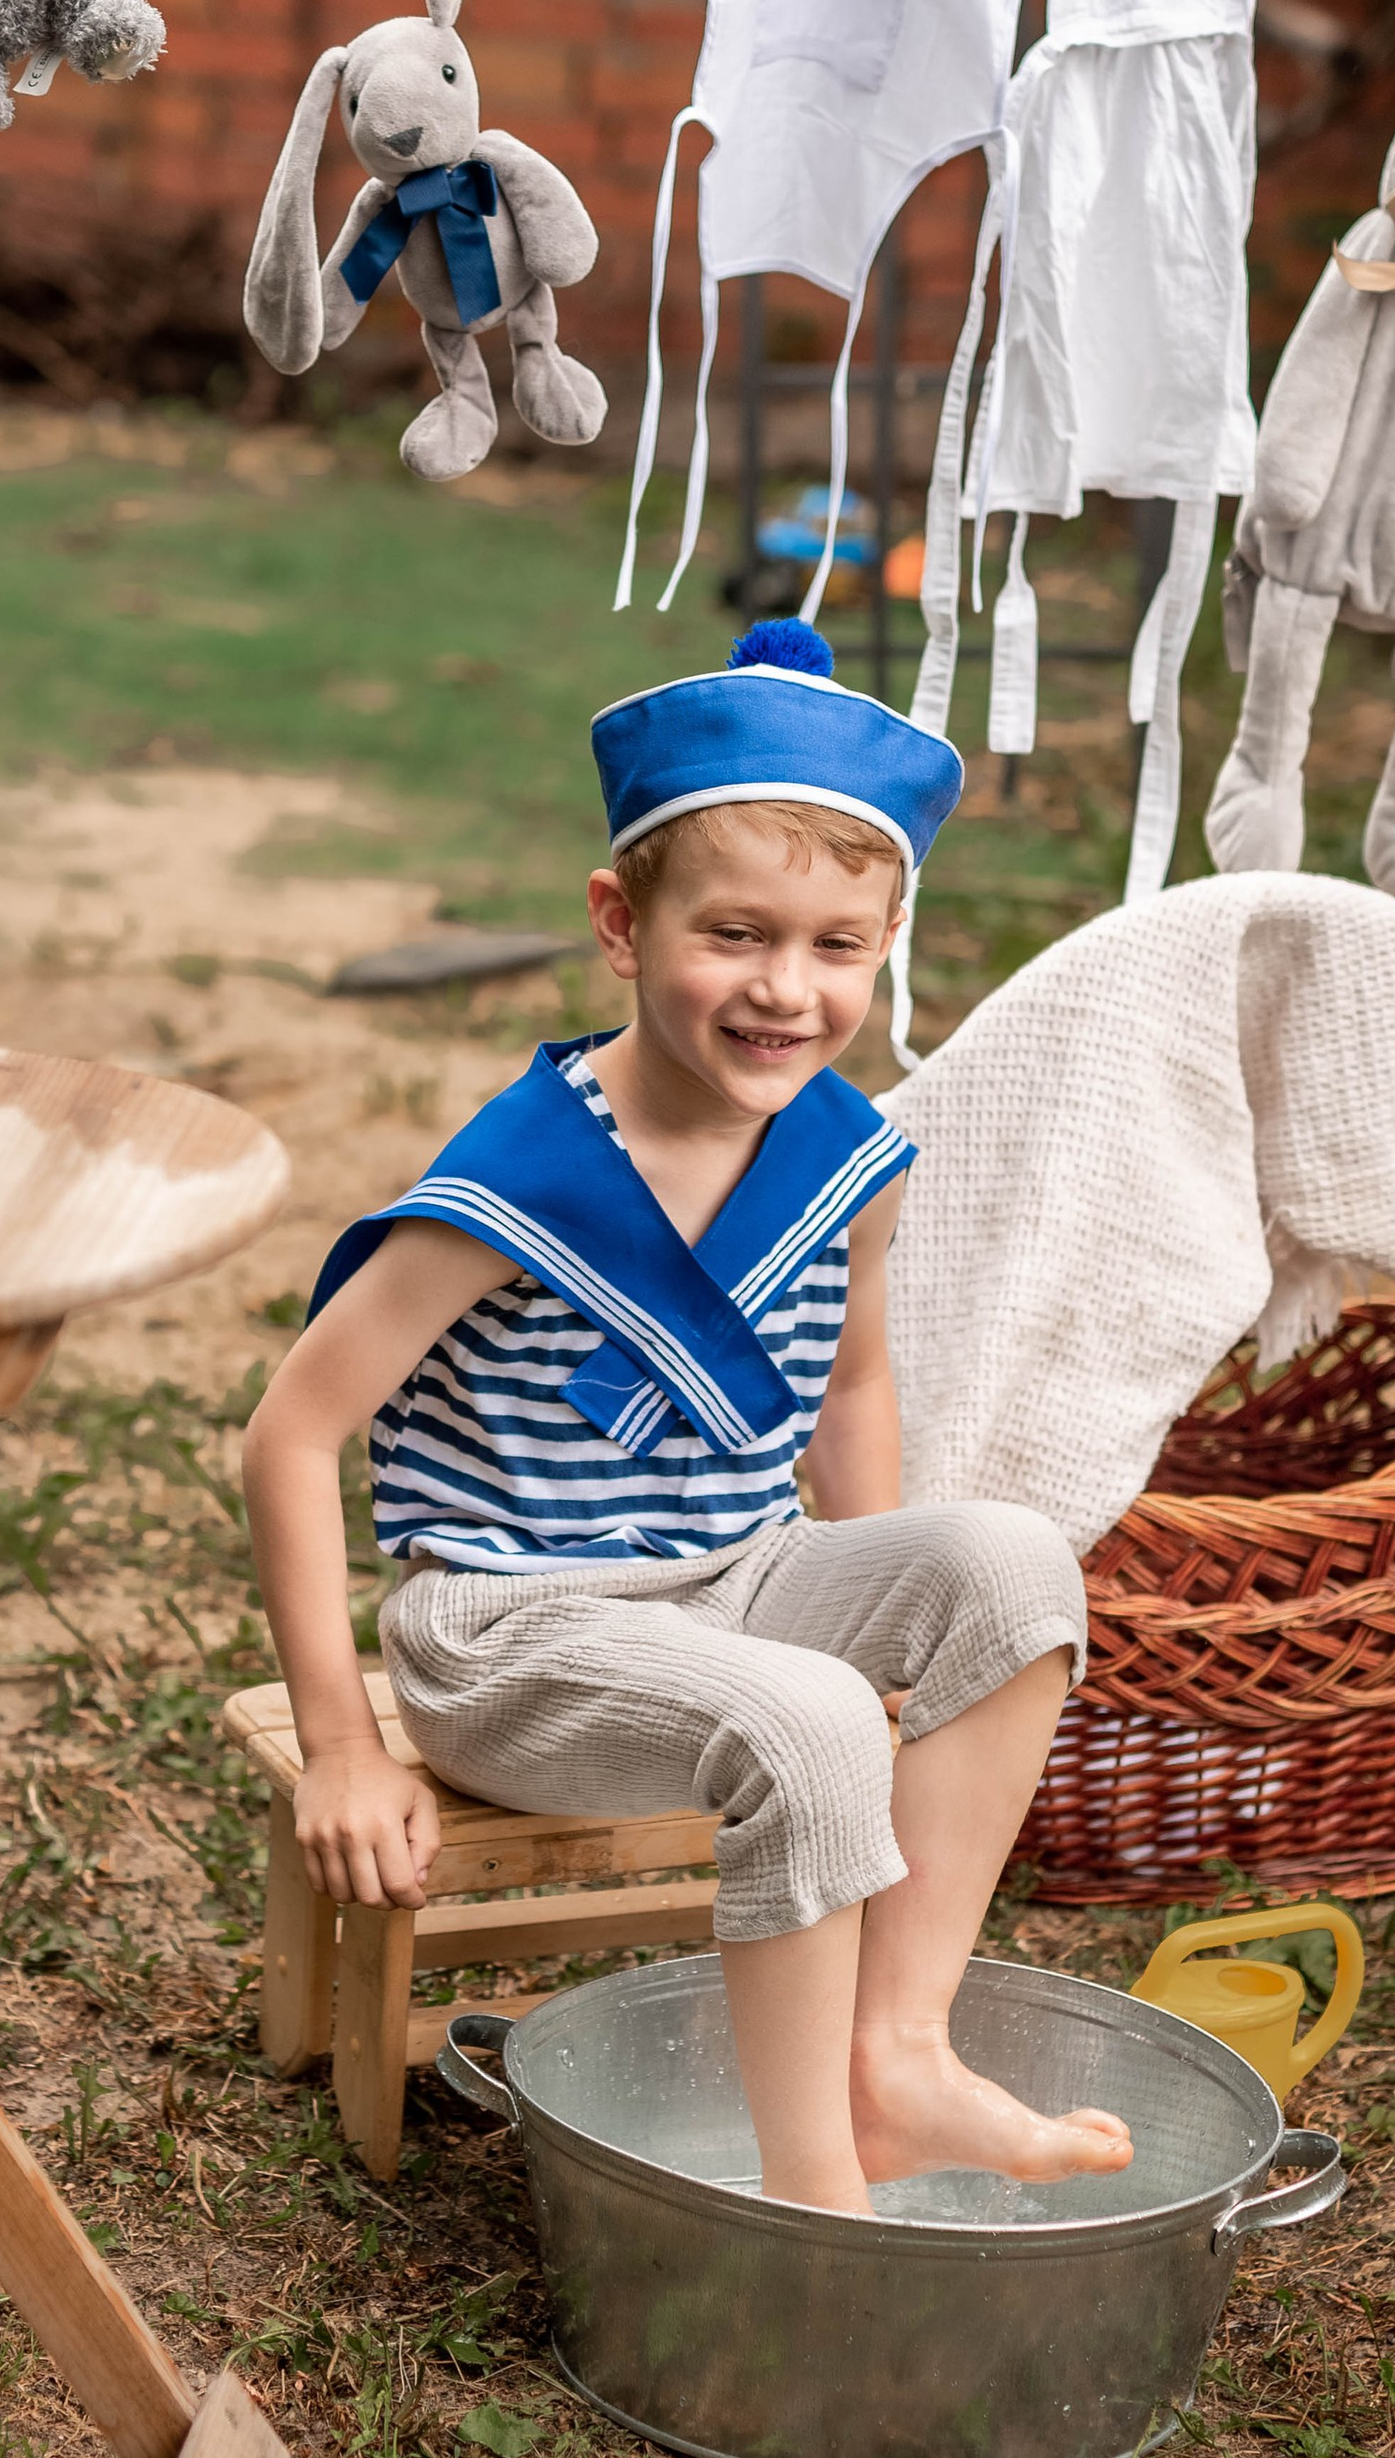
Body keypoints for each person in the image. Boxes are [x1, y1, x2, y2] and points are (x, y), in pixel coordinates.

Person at [241, 619, 1131, 2215]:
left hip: (737, 1579)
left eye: (838, 946)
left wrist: (884, 1604)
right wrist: (340, 1747)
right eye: (736, 935)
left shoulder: (847, 1156)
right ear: (621, 921)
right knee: (805, 1718)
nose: (786, 991)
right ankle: (810, 2202)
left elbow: (851, 1389)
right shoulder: (523, 1177)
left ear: (887, 941)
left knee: (1012, 1568)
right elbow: (292, 1436)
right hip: (513, 1636)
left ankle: (898, 2059)